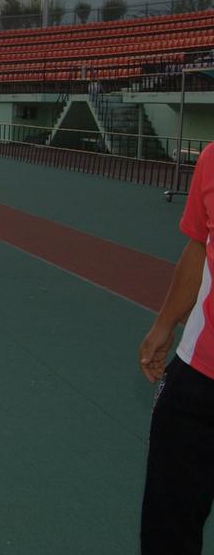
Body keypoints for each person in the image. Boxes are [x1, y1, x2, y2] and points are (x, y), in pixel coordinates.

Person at [138, 141, 214, 555]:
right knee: (167, 530)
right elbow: (200, 246)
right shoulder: (212, 158)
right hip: (198, 377)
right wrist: (164, 324)